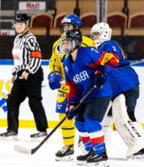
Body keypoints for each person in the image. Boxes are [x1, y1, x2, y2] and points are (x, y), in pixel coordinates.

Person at [90, 22, 144, 159]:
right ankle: (101, 147)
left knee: (125, 117)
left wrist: (103, 69)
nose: (94, 37)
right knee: (107, 118)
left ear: (105, 33)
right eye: (93, 35)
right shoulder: (100, 48)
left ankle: (139, 147)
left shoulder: (109, 45)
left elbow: (112, 60)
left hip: (124, 86)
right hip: (119, 88)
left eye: (96, 34)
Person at [61, 29, 119, 166]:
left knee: (91, 122)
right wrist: (72, 104)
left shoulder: (88, 52)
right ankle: (91, 151)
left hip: (100, 92)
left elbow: (112, 59)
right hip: (85, 96)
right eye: (65, 43)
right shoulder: (67, 64)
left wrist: (103, 72)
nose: (66, 46)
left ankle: (101, 153)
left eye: (68, 43)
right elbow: (72, 87)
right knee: (79, 123)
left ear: (76, 43)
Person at [47, 14, 95, 161]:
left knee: (85, 117)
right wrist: (54, 73)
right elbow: (54, 62)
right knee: (64, 115)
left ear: (76, 27)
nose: (66, 28)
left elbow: (94, 61)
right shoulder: (58, 44)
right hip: (67, 86)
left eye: (69, 26)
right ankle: (68, 146)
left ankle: (91, 147)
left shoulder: (86, 42)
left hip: (84, 85)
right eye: (64, 26)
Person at [0, 13, 48, 140]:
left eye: (21, 24)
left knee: (34, 101)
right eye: (16, 24)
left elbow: (37, 56)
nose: (18, 26)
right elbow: (17, 60)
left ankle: (42, 130)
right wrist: (14, 73)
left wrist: (29, 70)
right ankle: (12, 130)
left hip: (33, 74)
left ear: (26, 25)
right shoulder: (17, 39)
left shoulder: (30, 38)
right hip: (21, 74)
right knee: (12, 101)